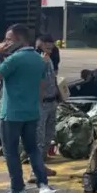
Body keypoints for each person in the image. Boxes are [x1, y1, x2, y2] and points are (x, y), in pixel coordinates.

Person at [0, 24, 56, 193]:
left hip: (12, 113)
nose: (5, 43)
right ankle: (43, 183)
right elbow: (42, 86)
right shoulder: (39, 59)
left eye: (8, 39)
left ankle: (17, 190)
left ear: (19, 39)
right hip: (31, 112)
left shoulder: (15, 59)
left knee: (11, 152)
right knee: (33, 148)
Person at [30, 34, 60, 182]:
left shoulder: (50, 59)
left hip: (52, 101)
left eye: (51, 45)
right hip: (40, 103)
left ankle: (41, 166)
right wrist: (42, 63)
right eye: (47, 45)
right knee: (39, 139)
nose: (50, 47)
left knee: (49, 135)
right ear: (39, 44)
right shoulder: (36, 59)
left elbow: (52, 78)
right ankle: (34, 172)